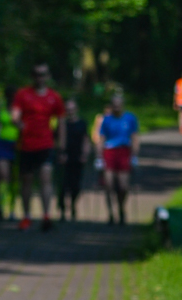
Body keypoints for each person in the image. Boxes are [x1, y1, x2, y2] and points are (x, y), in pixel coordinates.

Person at [12, 63, 65, 232]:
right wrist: (18, 123)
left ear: (47, 76)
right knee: (26, 180)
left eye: (43, 74)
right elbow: (15, 114)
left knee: (45, 178)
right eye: (36, 74)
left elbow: (61, 122)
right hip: (26, 145)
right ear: (32, 76)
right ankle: (27, 215)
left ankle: (46, 215)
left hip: (46, 144)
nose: (39, 77)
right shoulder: (23, 94)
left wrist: (62, 145)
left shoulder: (54, 97)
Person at [95, 94, 139, 225]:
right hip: (109, 151)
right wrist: (99, 158)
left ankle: (121, 208)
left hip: (124, 151)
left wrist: (134, 156)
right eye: (114, 105)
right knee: (108, 184)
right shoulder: (106, 120)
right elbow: (101, 139)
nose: (116, 108)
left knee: (123, 185)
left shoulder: (130, 118)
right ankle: (110, 213)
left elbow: (134, 137)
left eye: (118, 105)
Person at [57, 99, 90, 221]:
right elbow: (57, 140)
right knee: (63, 185)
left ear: (76, 110)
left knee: (76, 186)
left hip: (77, 157)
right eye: (68, 109)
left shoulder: (82, 123)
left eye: (72, 109)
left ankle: (73, 204)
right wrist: (61, 153)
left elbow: (86, 139)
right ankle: (62, 209)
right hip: (64, 157)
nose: (70, 112)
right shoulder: (62, 124)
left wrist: (85, 154)